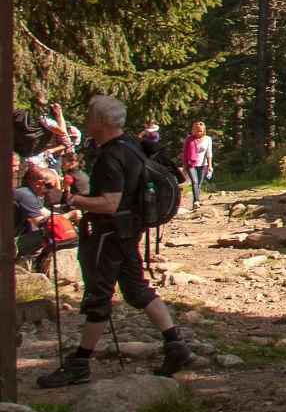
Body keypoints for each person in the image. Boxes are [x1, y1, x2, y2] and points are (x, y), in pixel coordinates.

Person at [36, 94, 193, 388]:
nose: (84, 119)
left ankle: (80, 364)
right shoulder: (132, 146)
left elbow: (109, 203)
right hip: (128, 231)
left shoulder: (111, 155)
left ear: (101, 121)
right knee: (137, 290)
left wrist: (67, 200)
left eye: (89, 114)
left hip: (108, 234)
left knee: (98, 296)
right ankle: (176, 346)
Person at [182, 120, 213, 203]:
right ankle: (196, 201)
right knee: (194, 182)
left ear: (204, 130)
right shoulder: (189, 139)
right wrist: (185, 164)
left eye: (200, 131)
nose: (198, 132)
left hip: (203, 165)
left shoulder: (208, 139)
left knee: (199, 183)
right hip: (191, 164)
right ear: (194, 130)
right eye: (196, 131)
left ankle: (196, 200)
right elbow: (185, 152)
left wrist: (210, 165)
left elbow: (209, 152)